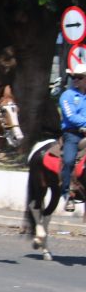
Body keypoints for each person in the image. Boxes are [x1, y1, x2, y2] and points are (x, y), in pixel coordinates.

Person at [59, 64, 86, 212]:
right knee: (69, 160)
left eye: (79, 77)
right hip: (73, 134)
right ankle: (67, 194)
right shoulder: (67, 95)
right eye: (73, 77)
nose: (75, 80)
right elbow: (70, 116)